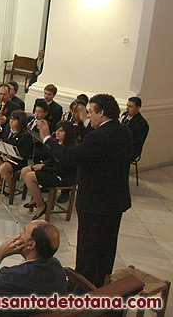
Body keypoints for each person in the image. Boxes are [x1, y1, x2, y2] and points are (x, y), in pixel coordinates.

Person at [38, 93, 132, 287]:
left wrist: (48, 138)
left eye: (90, 112)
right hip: (116, 201)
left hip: (95, 202)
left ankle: (83, 289)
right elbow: (98, 147)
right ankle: (101, 283)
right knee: (107, 247)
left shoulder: (99, 137)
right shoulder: (123, 132)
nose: (88, 116)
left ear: (102, 112)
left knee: (88, 249)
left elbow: (69, 156)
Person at [22, 121, 77, 220]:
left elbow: (62, 168)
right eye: (57, 130)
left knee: (30, 176)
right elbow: (53, 159)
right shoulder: (58, 143)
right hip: (54, 171)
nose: (57, 133)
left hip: (63, 177)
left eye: (61, 131)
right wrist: (44, 164)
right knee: (25, 170)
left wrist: (43, 168)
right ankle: (36, 198)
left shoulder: (71, 148)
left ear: (67, 133)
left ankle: (41, 205)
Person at [0, 110, 33, 196]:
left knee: (3, 168)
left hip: (17, 160)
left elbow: (25, 153)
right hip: (5, 156)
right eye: (11, 119)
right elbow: (3, 142)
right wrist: (0, 151)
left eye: (14, 120)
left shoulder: (26, 136)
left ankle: (10, 186)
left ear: (20, 122)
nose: (11, 121)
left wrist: (11, 157)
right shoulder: (7, 129)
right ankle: (0, 183)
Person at [121, 97, 150, 161]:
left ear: (138, 108)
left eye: (130, 106)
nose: (127, 108)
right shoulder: (126, 117)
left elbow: (135, 143)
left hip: (131, 151)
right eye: (127, 105)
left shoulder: (141, 124)